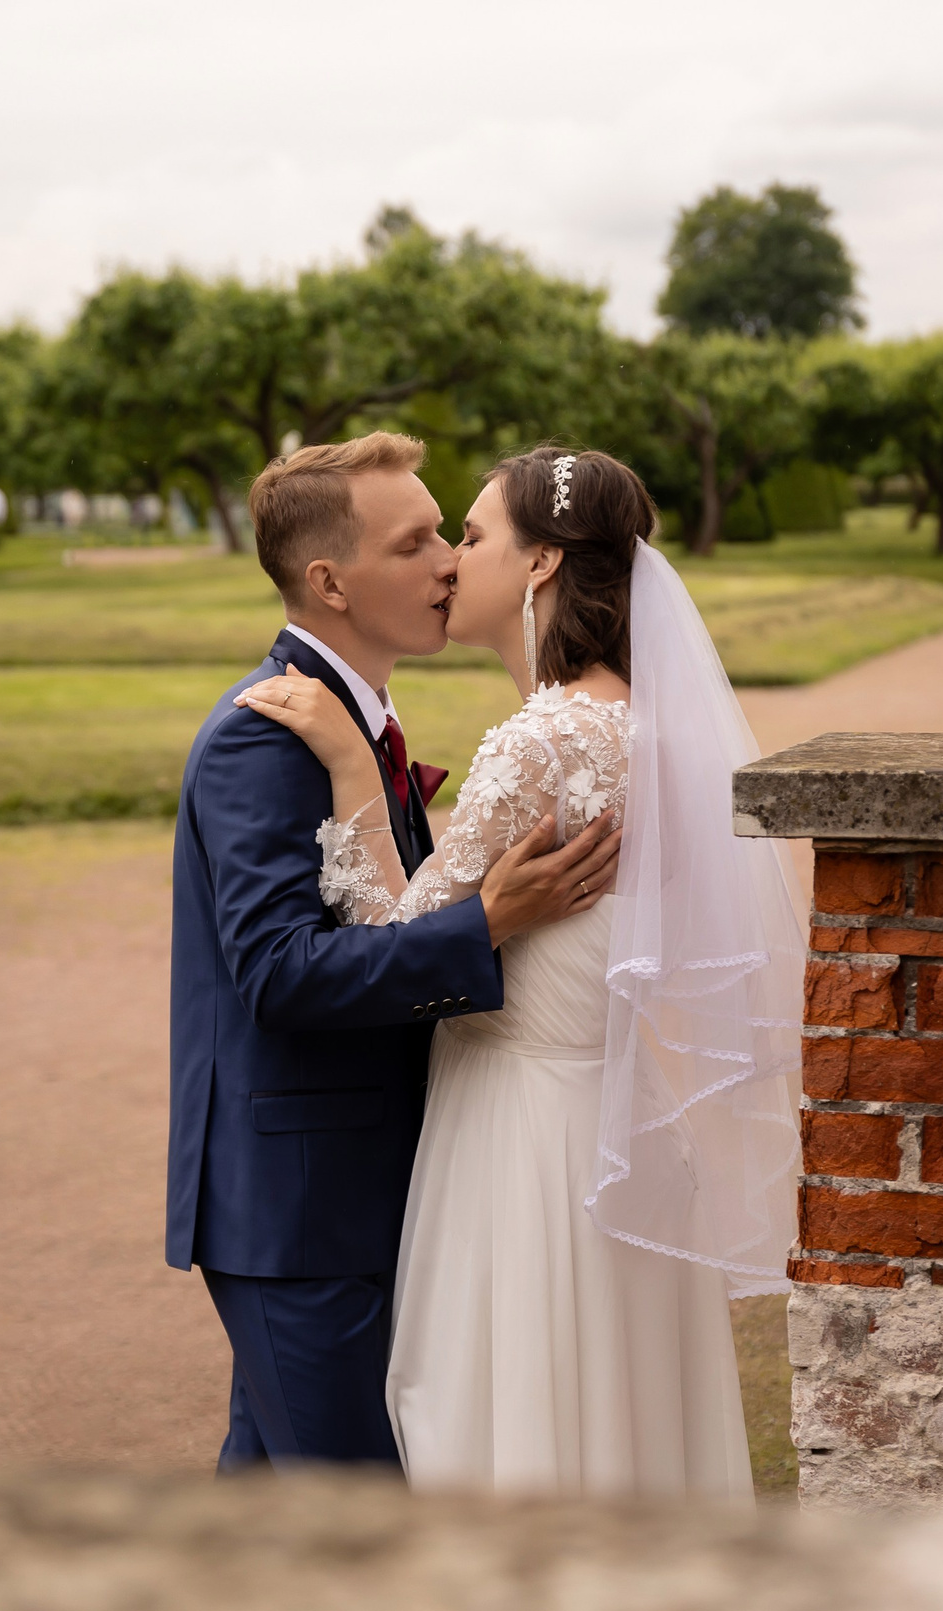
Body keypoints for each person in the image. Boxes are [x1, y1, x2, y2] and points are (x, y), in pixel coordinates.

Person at [237, 446, 804, 1500]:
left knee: (509, 1428)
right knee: (624, 1432)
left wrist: (356, 766)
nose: (455, 559)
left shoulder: (542, 737)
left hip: (523, 1140)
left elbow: (390, 928)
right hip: (623, 1139)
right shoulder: (650, 728)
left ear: (540, 563)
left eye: (473, 533)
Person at [167, 431, 622, 1473]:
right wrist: (485, 924)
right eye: (416, 542)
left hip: (369, 1187)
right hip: (301, 1207)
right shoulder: (261, 736)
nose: (450, 564)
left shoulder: (356, 725)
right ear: (329, 581)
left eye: (447, 536)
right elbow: (280, 972)